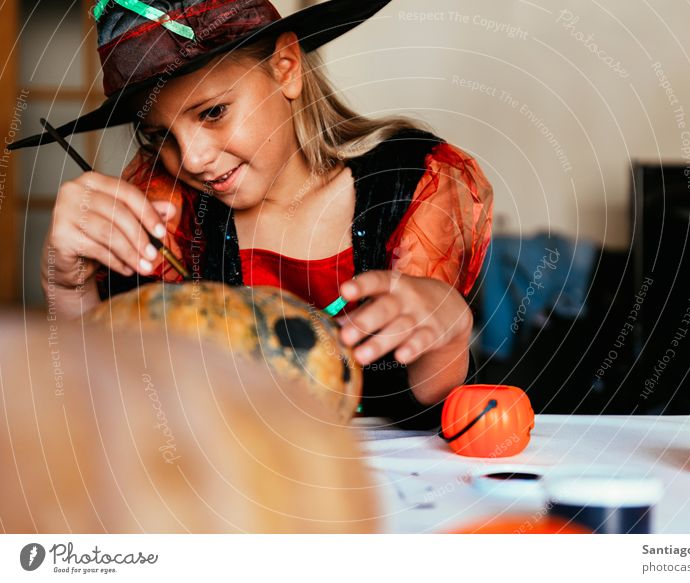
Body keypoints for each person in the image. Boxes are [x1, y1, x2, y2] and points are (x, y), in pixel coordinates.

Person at [9, 0, 493, 428]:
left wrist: (448, 333)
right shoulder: (168, 212)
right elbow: (107, 396)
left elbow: (431, 404)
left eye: (213, 112)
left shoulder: (416, 187)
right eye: (160, 136)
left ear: (285, 67)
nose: (193, 159)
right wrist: (68, 286)